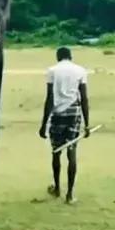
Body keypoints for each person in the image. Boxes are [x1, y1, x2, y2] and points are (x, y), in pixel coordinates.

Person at [39, 46, 90, 203]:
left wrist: (43, 124)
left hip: (57, 114)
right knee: (71, 152)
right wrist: (87, 123)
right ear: (71, 56)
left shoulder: (52, 71)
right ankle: (69, 194)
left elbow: (49, 98)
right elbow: (84, 98)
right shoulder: (80, 70)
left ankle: (57, 188)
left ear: (58, 57)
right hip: (74, 113)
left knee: (56, 152)